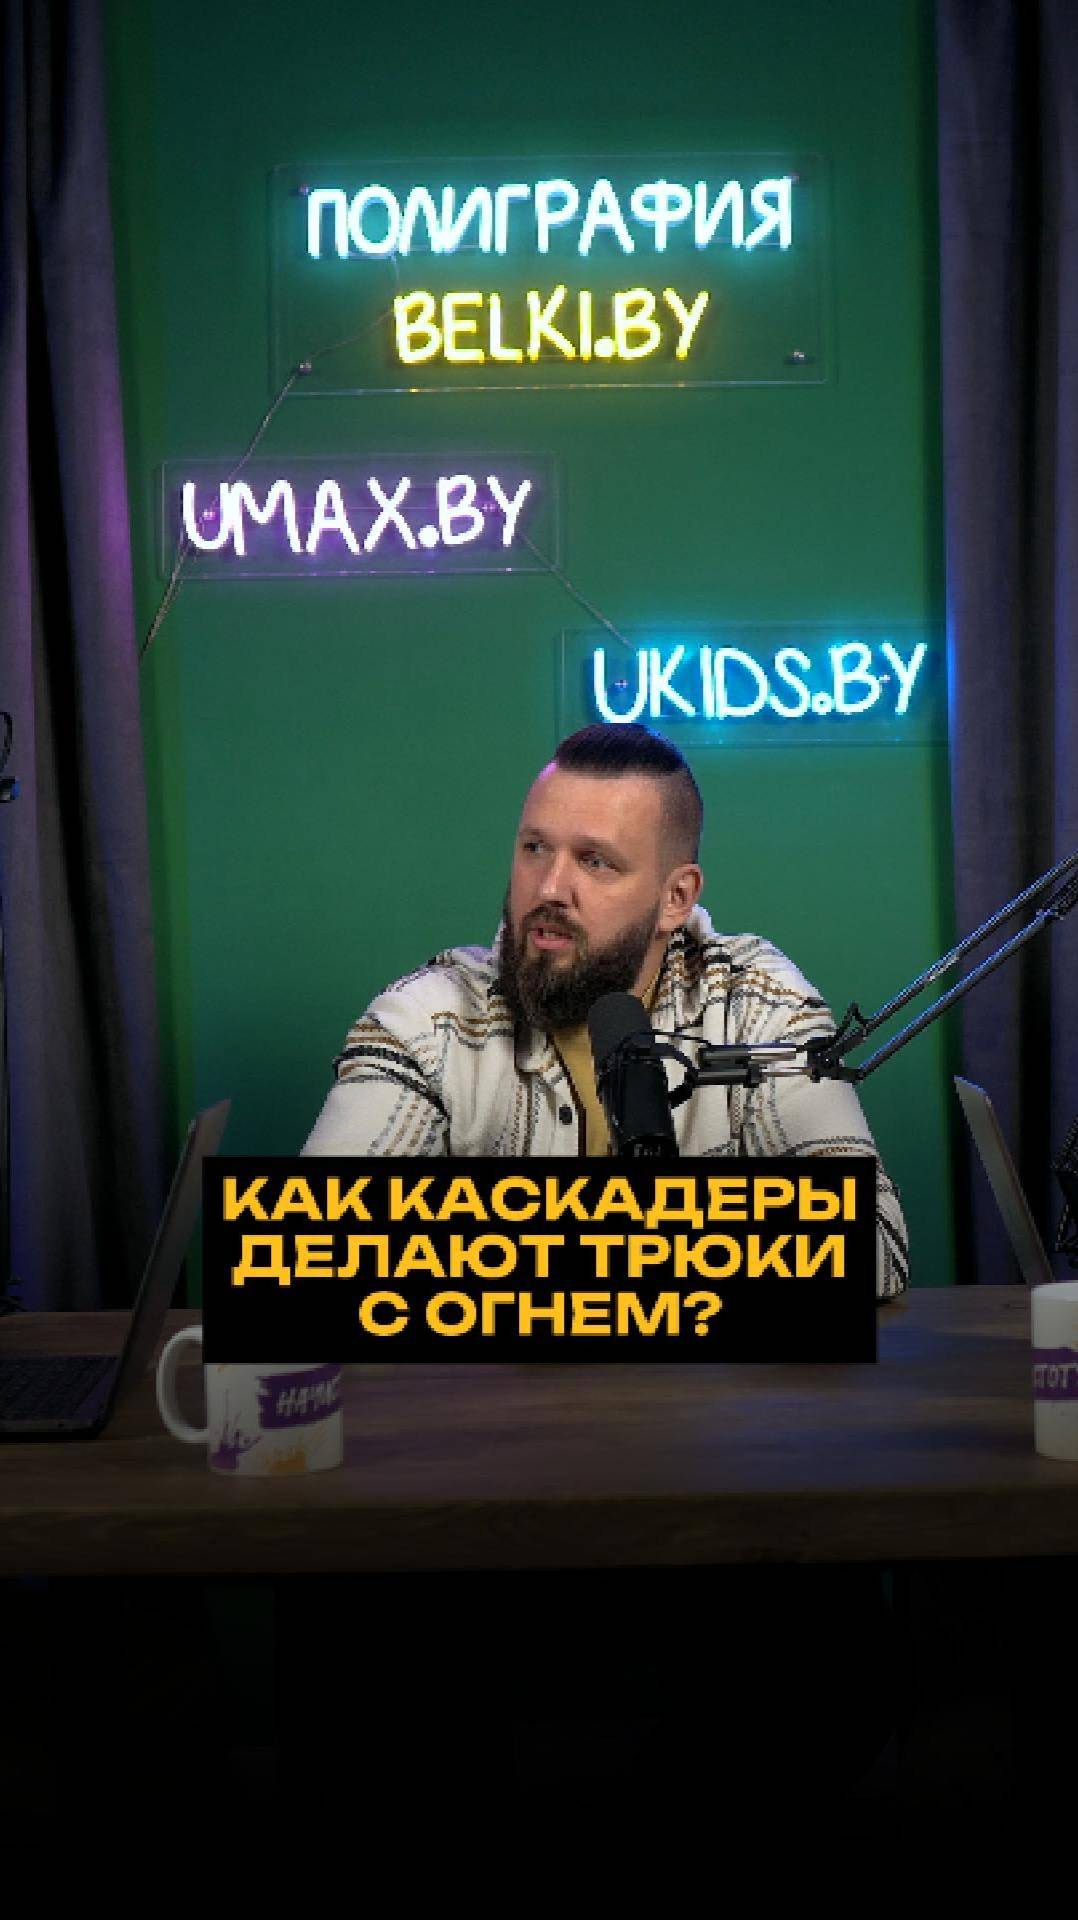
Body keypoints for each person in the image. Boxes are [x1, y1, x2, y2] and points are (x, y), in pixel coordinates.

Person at [304, 721, 908, 1301]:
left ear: (676, 897)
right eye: (535, 848)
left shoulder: (756, 1004)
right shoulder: (426, 1021)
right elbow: (316, 1249)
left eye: (595, 861)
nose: (549, 888)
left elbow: (873, 1244)